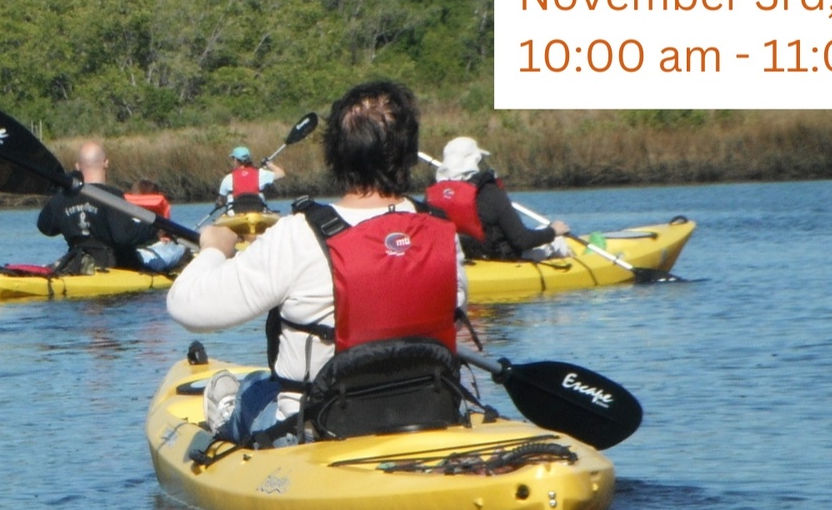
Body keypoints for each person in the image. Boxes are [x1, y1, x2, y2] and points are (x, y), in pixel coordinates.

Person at [168, 82, 469, 447]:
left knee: (253, 388)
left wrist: (214, 249)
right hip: (432, 411)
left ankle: (228, 416)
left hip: (318, 430)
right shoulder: (442, 231)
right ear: (408, 152)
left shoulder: (299, 235)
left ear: (336, 154)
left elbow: (187, 307)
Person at [425, 137, 571, 261]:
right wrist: (553, 231)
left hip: (461, 258)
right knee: (557, 240)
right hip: (500, 259)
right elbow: (523, 240)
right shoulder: (490, 192)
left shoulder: (433, 195)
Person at [36, 142, 162, 275]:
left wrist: (62, 191)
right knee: (177, 250)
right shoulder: (112, 196)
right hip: (116, 267)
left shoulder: (63, 197)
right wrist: (155, 230)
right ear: (106, 163)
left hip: (77, 264)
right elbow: (123, 237)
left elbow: (45, 227)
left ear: (78, 166)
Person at [125, 179, 189, 273]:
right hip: (146, 259)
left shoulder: (123, 215)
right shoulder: (155, 220)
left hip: (130, 254)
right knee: (183, 247)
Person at [215, 146, 285, 210]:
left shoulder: (228, 178)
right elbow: (281, 173)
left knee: (230, 197)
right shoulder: (261, 173)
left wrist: (220, 203)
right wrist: (269, 163)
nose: (233, 161)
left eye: (233, 159)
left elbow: (222, 199)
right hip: (257, 210)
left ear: (236, 160)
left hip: (237, 211)